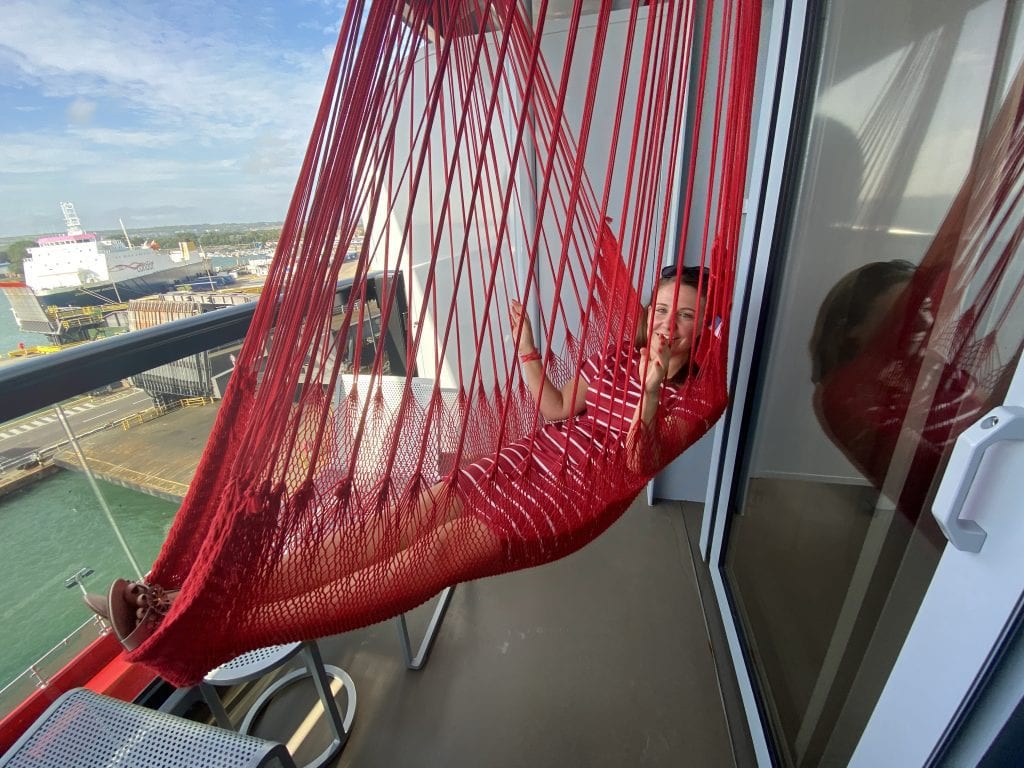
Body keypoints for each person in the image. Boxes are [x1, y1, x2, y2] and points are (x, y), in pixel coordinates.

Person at [86, 265, 716, 658]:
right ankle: (187, 598)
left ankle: (201, 626)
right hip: (514, 467)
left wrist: (656, 390)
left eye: (685, 314)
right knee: (373, 537)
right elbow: (553, 411)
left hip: (553, 502)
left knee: (400, 572)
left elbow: (643, 458)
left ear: (703, 323)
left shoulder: (695, 395)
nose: (668, 323)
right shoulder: (612, 358)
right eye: (661, 309)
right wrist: (528, 348)